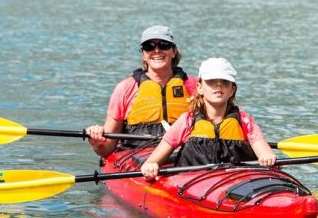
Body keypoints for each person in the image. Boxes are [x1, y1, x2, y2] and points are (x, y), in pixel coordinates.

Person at [140, 57, 277, 180]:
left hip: (235, 183)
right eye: (211, 81)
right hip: (193, 185)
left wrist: (267, 158)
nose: (218, 85)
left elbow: (265, 153)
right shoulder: (187, 121)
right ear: (199, 88)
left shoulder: (244, 121)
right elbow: (153, 161)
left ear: (232, 90)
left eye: (224, 81)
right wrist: (150, 167)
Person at [86, 25, 197, 157]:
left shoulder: (196, 87)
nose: (156, 50)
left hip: (186, 158)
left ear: (173, 51)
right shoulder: (126, 88)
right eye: (149, 46)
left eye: (163, 45)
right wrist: (97, 142)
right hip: (137, 159)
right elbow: (107, 149)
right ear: (143, 54)